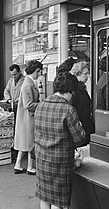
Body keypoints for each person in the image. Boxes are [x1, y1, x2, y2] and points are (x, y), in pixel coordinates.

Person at [34, 72, 86, 209]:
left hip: (41, 158)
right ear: (70, 91)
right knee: (58, 201)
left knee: (44, 197)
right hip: (60, 162)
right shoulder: (68, 110)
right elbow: (80, 137)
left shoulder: (41, 105)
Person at [13, 60, 43, 175]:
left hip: (24, 118)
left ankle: (18, 165)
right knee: (31, 143)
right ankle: (30, 167)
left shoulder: (28, 82)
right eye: (38, 71)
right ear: (33, 71)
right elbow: (28, 105)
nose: (39, 74)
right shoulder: (28, 84)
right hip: (28, 118)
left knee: (24, 143)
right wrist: (41, 105)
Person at [70, 61, 94, 146]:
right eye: (85, 74)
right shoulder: (75, 89)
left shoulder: (81, 87)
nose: (88, 76)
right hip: (81, 126)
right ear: (78, 73)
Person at [4, 64, 25, 162]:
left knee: (20, 131)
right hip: (12, 108)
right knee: (13, 130)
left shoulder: (25, 81)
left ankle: (20, 151)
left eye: (15, 75)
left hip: (21, 108)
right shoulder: (11, 81)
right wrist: (8, 100)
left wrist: (19, 99)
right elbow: (6, 91)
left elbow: (26, 94)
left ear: (19, 72)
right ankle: (14, 151)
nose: (13, 77)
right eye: (12, 75)